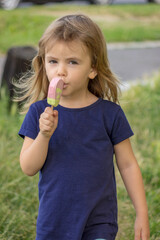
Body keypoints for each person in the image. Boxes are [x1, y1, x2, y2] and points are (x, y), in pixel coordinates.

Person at [18, 14, 150, 240]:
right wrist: (44, 135)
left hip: (99, 222)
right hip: (54, 221)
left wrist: (142, 213)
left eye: (72, 62)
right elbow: (28, 167)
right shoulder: (39, 113)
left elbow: (127, 165)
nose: (60, 71)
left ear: (93, 68)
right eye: (53, 61)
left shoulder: (110, 114)